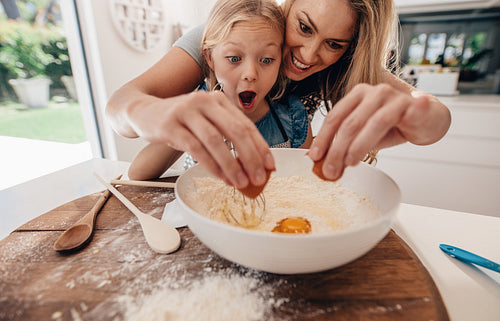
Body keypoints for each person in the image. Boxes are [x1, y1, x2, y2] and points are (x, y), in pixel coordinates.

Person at [106, 0, 451, 188]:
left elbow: (436, 119)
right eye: (303, 27)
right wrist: (155, 116)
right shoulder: (231, 34)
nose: (309, 54)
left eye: (333, 44)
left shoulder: (343, 66)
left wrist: (416, 115)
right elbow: (120, 107)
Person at [127, 0, 312, 180]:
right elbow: (137, 173)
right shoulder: (197, 109)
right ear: (209, 57)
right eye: (234, 59)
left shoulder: (292, 117)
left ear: (280, 60)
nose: (250, 74)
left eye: (266, 60)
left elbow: (304, 180)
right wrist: (187, 123)